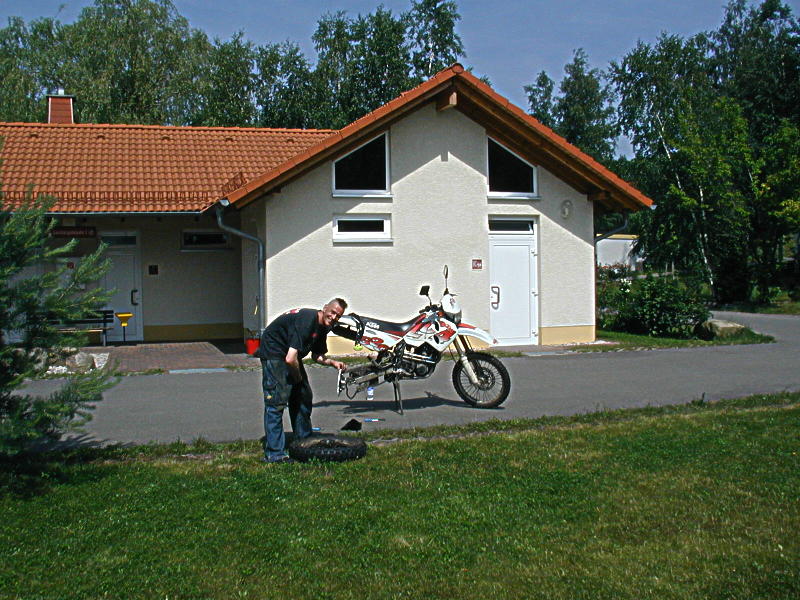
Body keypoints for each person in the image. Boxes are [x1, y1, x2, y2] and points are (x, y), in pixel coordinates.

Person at [255, 298, 348, 463]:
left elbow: (316, 355)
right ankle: (274, 454)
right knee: (276, 403)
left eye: (338, 316)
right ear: (325, 308)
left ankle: (304, 441)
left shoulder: (323, 327)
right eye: (332, 312)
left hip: (289, 356)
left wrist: (333, 363)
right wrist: (297, 378)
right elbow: (290, 359)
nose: (334, 317)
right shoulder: (308, 319)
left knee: (303, 396)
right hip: (274, 353)